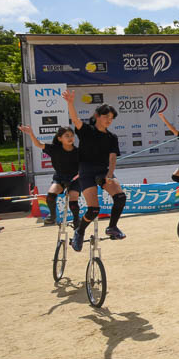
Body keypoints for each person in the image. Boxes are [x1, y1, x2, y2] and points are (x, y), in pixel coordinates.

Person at [62, 91, 127, 250]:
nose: (109, 120)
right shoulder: (87, 130)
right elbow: (76, 120)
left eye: (111, 118)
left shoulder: (112, 137)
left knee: (120, 197)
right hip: (86, 171)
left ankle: (112, 227)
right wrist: (70, 103)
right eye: (106, 117)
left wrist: (110, 175)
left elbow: (112, 157)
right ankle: (80, 231)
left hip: (103, 171)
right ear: (97, 116)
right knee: (93, 210)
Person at [19, 125, 81, 226]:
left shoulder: (78, 152)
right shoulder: (54, 149)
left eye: (71, 136)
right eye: (67, 136)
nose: (70, 138)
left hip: (75, 179)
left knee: (73, 197)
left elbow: (83, 168)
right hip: (60, 177)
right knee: (51, 195)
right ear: (60, 138)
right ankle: (52, 216)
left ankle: (76, 219)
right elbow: (38, 144)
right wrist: (30, 133)